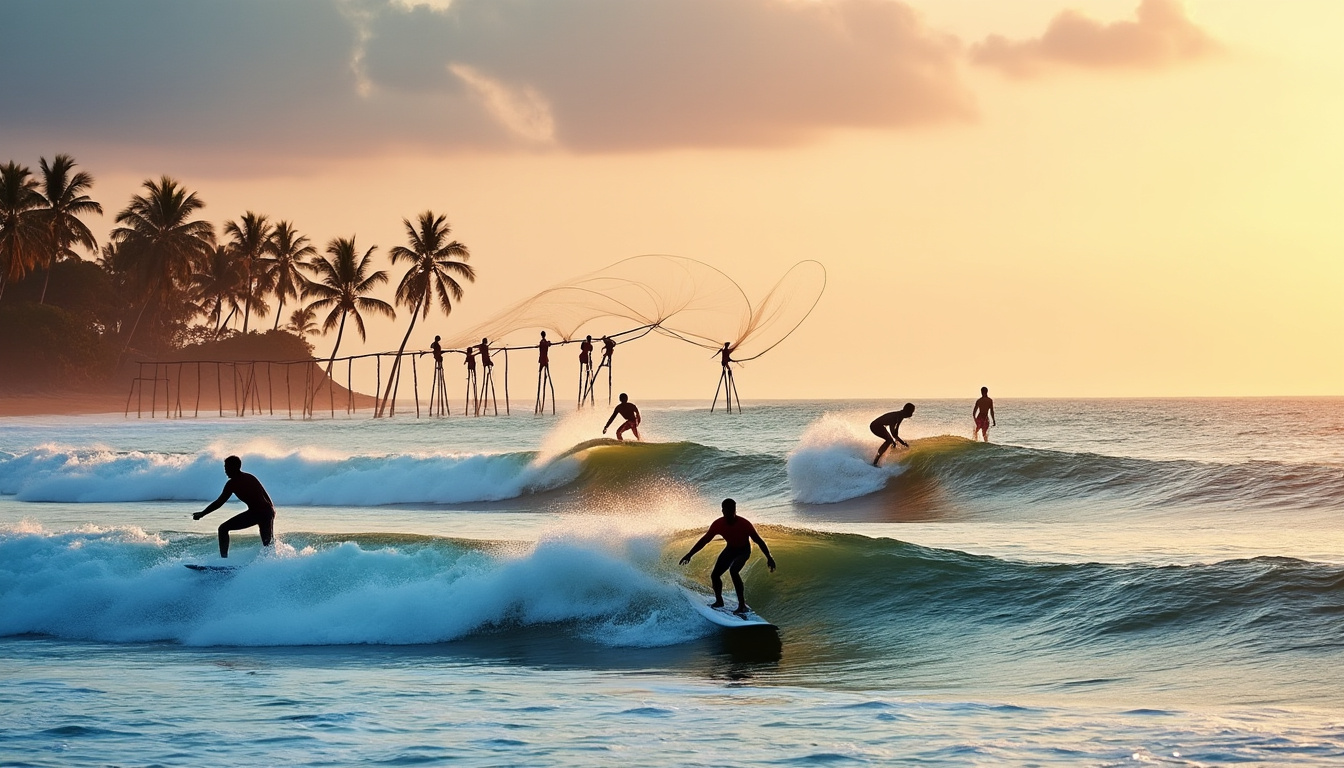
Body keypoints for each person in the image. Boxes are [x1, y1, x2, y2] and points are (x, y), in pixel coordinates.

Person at [679, 498, 775, 615]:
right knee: (715, 575)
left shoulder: (744, 524)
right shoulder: (718, 524)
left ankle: (742, 605)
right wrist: (690, 554)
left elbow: (759, 541)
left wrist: (769, 557)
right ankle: (719, 601)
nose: (731, 514)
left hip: (743, 551)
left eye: (733, 511)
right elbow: (705, 540)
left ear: (735, 510)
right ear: (723, 511)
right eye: (728, 511)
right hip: (730, 550)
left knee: (734, 571)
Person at [193, 455, 276, 559]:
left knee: (223, 529)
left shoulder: (233, 483)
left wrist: (202, 514)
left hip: (260, 513)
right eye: (225, 467)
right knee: (267, 543)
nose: (225, 471)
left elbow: (219, 502)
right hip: (267, 511)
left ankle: (223, 560)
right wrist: (271, 513)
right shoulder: (249, 477)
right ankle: (273, 563)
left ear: (234, 467)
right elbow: (267, 500)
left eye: (226, 467)